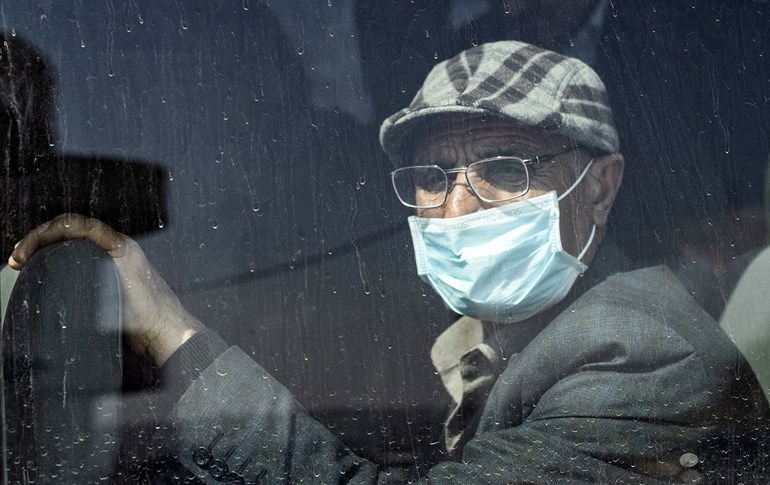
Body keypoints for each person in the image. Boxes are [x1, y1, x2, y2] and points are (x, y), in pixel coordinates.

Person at [7, 40, 769, 483]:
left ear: (599, 187)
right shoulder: (494, 339)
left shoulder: (637, 349)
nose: (459, 207)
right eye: (434, 177)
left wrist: (173, 332)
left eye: (505, 167)